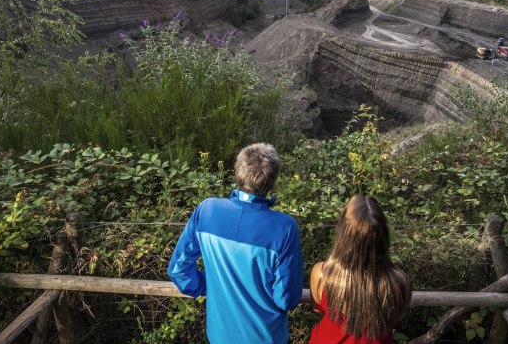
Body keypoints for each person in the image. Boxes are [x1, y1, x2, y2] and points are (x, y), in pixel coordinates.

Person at [167, 143, 303, 344]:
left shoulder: (207, 211)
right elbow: (286, 298)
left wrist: (209, 285)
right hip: (266, 337)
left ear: (237, 173)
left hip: (219, 337)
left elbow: (179, 271)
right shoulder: (285, 228)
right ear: (273, 182)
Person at [309, 195, 411, 344]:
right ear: (383, 235)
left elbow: (318, 308)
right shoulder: (399, 281)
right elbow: (396, 316)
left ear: (343, 233)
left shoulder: (322, 273)